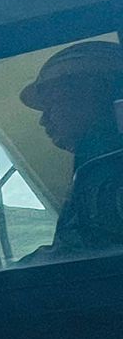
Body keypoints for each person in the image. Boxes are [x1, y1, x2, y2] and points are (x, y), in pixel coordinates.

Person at [19, 39, 123, 262]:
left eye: (52, 104)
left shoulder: (109, 176)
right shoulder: (92, 173)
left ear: (96, 91)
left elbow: (78, 259)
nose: (43, 120)